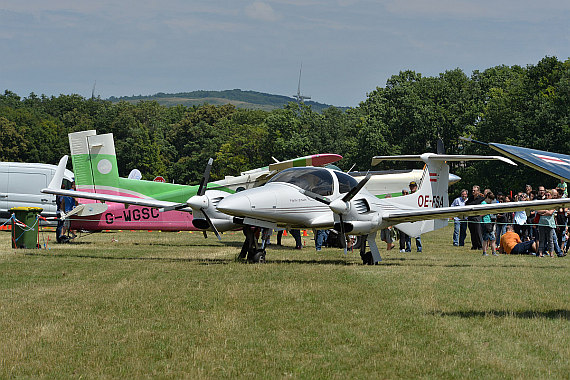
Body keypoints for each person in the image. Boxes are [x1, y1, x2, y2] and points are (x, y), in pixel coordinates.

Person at [536, 190, 556, 257]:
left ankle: (551, 254)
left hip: (550, 224)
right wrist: (546, 211)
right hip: (541, 223)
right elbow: (538, 211)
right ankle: (540, 253)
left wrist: (543, 212)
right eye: (546, 195)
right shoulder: (542, 202)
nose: (547, 196)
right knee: (541, 239)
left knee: (550, 240)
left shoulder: (553, 203)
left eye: (548, 195)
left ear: (551, 196)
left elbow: (550, 213)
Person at [404, 181, 422, 252]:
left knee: (417, 233)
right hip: (409, 216)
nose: (412, 187)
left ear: (416, 187)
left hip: (416, 216)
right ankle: (408, 248)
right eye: (411, 186)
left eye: (413, 186)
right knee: (408, 234)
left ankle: (419, 248)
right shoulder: (408, 196)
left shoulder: (418, 195)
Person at [466, 185, 485, 250]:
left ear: (478, 191)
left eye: (474, 190)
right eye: (472, 190)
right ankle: (474, 245)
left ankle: (480, 246)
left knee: (478, 232)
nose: (473, 191)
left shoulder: (481, 199)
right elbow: (466, 204)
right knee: (472, 232)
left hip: (477, 217)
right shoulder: (470, 198)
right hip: (470, 217)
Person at [481, 191, 497, 256]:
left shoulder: (487, 204)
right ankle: (484, 252)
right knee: (485, 238)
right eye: (490, 199)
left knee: (493, 238)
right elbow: (481, 214)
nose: (491, 201)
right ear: (487, 197)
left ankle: (494, 252)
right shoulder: (483, 203)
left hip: (489, 222)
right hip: (485, 223)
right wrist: (488, 211)